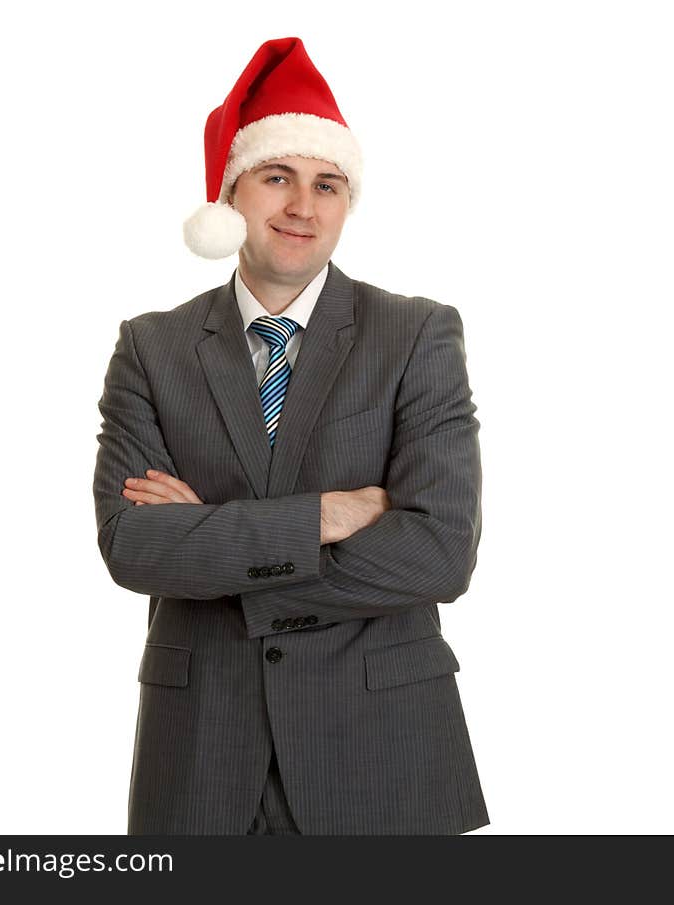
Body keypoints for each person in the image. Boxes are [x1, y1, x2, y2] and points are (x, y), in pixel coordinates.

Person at [93, 36, 489, 835]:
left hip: (383, 751)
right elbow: (133, 546)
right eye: (278, 177)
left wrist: (212, 542)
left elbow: (441, 552)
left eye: (328, 184)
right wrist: (324, 516)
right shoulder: (152, 347)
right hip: (202, 753)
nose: (303, 207)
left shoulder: (415, 334)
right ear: (231, 193)